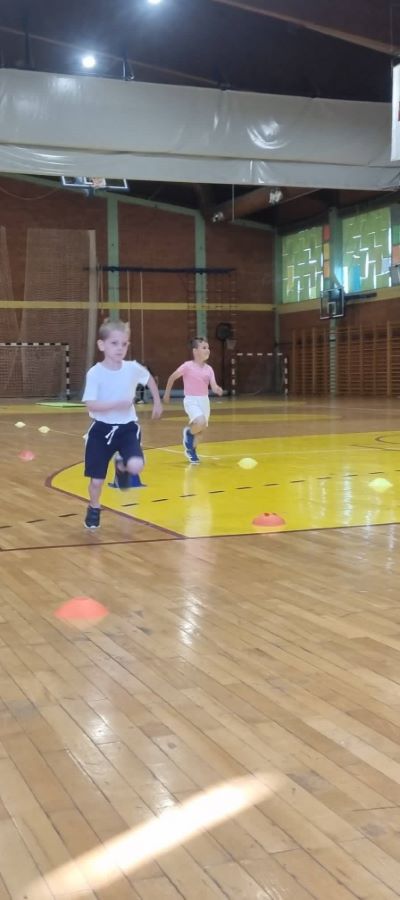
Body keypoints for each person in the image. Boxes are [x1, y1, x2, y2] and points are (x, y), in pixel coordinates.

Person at [82, 319, 162, 530]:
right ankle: (94, 506)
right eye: (114, 343)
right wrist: (117, 403)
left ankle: (122, 466)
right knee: (96, 482)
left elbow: (149, 379)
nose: (120, 348)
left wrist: (157, 401)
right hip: (101, 431)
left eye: (124, 344)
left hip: (127, 429)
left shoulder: (132, 368)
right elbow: (91, 404)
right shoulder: (95, 373)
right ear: (102, 345)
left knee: (136, 465)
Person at [164, 337, 223, 464]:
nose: (207, 350)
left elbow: (213, 386)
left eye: (208, 348)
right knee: (200, 422)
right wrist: (167, 394)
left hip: (204, 401)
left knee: (200, 433)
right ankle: (189, 433)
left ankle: (191, 450)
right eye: (204, 348)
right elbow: (172, 377)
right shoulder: (187, 366)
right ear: (195, 351)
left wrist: (217, 389)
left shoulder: (209, 369)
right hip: (191, 400)